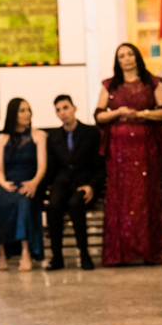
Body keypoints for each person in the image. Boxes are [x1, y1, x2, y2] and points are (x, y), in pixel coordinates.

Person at [95, 43, 162, 266]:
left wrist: (143, 114)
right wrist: (117, 113)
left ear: (137, 57)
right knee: (120, 198)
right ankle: (120, 254)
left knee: (145, 196)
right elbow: (98, 115)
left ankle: (150, 251)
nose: (126, 58)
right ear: (117, 60)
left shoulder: (153, 82)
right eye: (121, 55)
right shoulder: (110, 85)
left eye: (130, 54)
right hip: (118, 151)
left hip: (146, 149)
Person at [0, 98, 47, 272]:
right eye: (22, 110)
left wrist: (34, 183)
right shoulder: (2, 139)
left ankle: (26, 252)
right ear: (13, 114)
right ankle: (1, 255)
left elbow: (42, 165)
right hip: (8, 183)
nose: (27, 114)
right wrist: (4, 183)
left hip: (28, 182)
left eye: (28, 110)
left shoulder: (38, 136)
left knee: (23, 203)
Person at [44, 95, 103, 271]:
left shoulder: (91, 133)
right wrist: (41, 189)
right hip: (62, 183)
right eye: (58, 110)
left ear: (74, 108)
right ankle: (57, 257)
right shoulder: (53, 137)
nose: (62, 113)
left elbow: (100, 166)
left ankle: (84, 254)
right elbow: (51, 168)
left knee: (76, 203)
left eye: (65, 108)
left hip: (83, 182)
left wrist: (92, 186)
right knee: (54, 205)